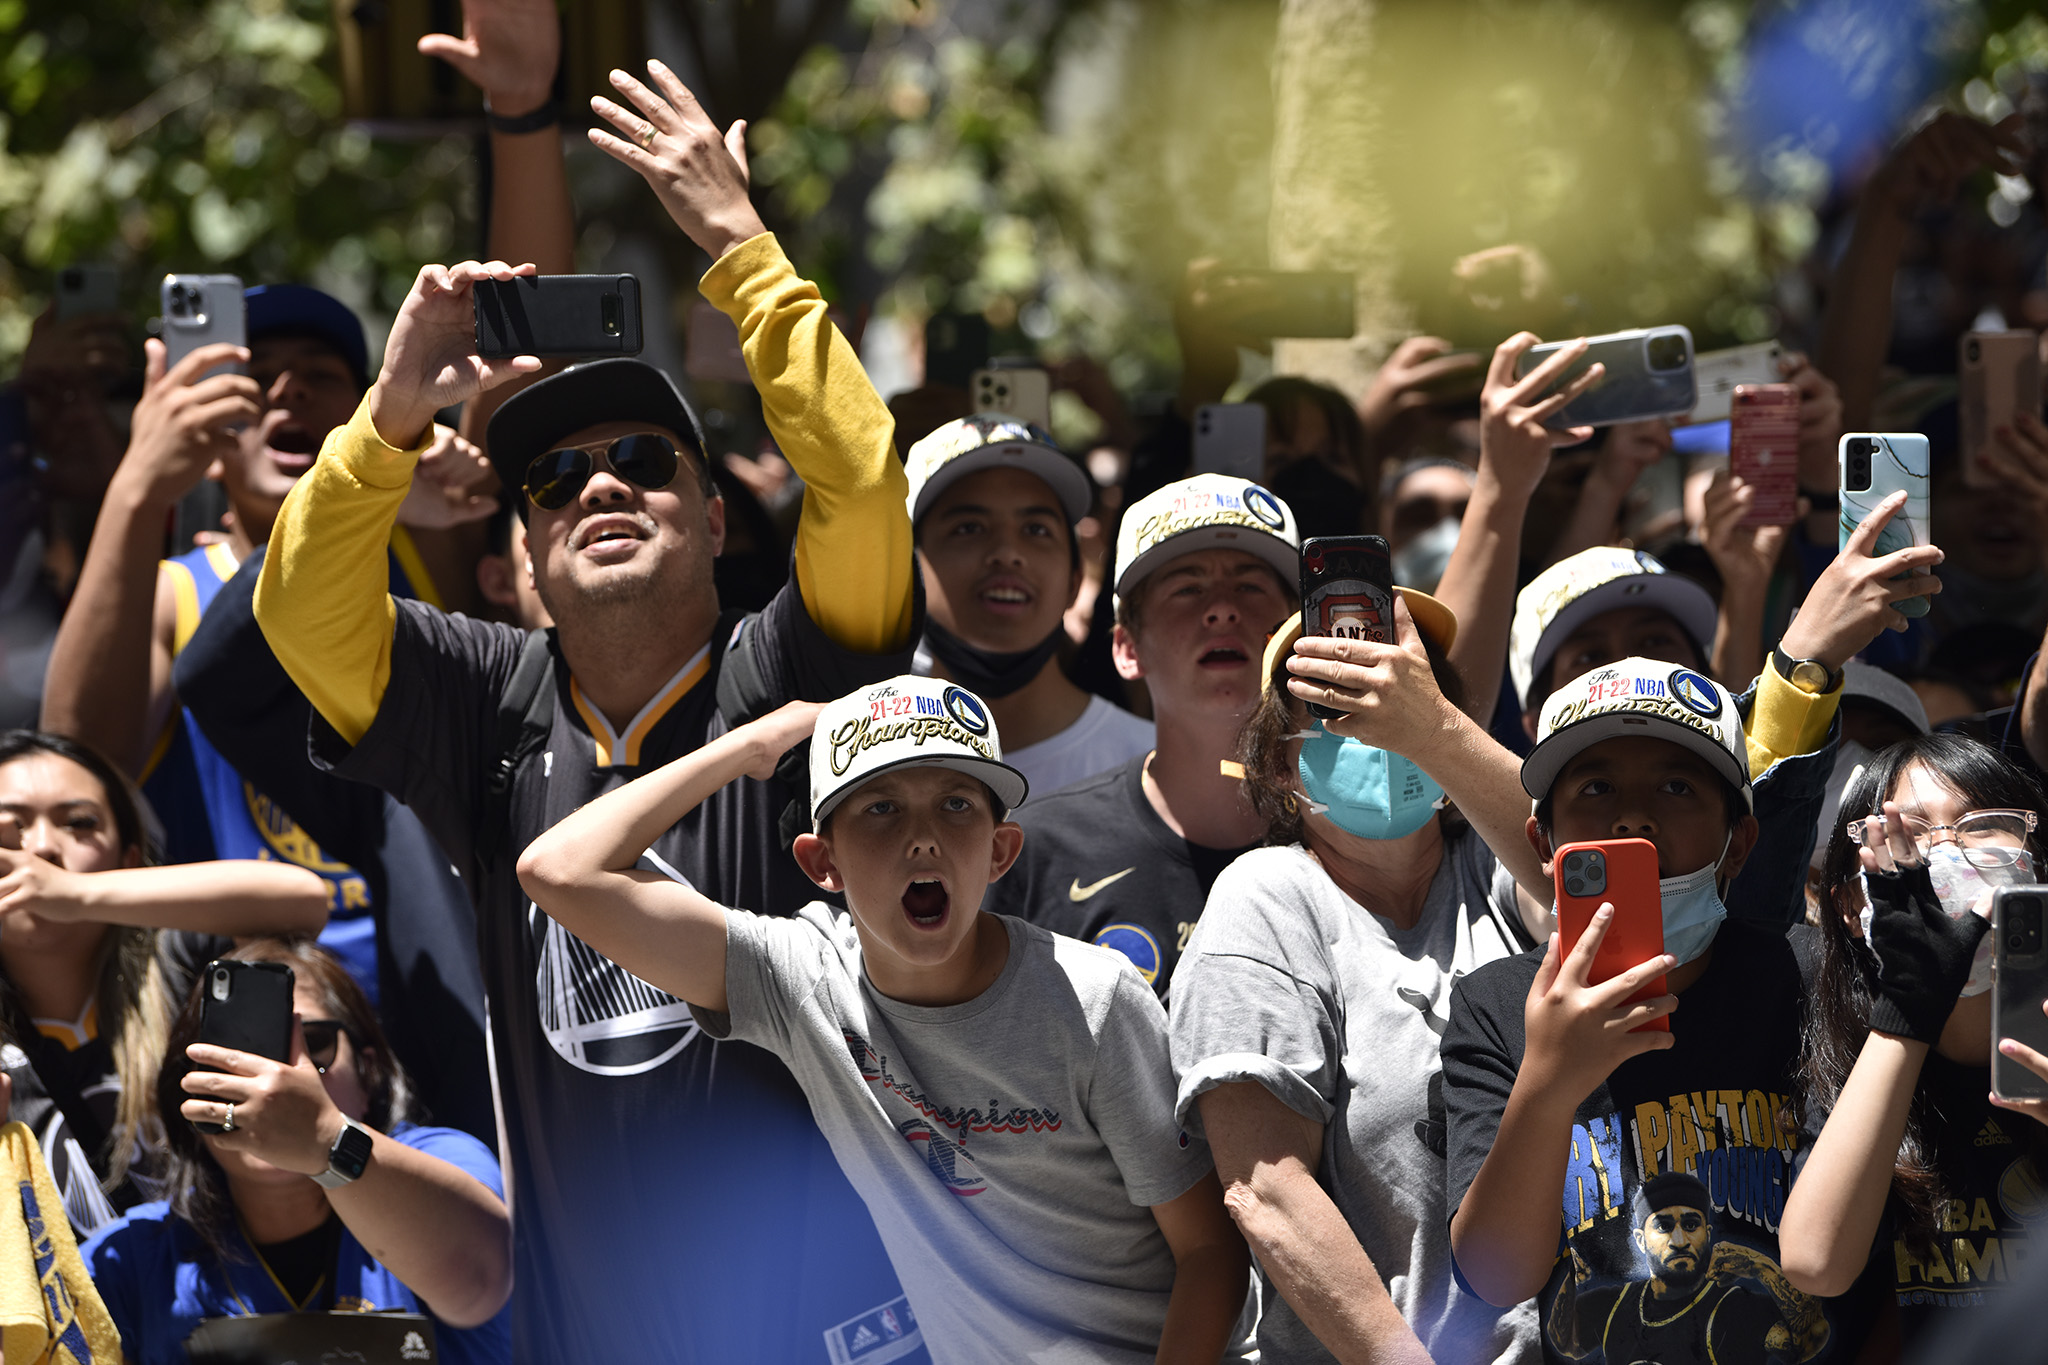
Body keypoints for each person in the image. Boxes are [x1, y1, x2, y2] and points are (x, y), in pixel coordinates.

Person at [245, 57, 922, 1361]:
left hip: (832, 1325)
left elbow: (857, 476)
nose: (594, 487)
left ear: (717, 520)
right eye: (552, 479)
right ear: (526, 555)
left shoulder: (798, 666)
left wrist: (737, 241)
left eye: (638, 462)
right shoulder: (487, 698)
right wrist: (392, 414)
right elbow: (303, 614)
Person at [134, 0, 579, 1147]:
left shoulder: (424, 547)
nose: (286, 397)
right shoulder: (186, 589)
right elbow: (88, 744)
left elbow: (530, 377)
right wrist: (141, 483)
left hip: (464, 1007)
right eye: (254, 376)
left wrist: (522, 117)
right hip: (264, 1034)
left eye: (319, 377)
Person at [516, 675, 1249, 1362]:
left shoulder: (1095, 999)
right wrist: (746, 747)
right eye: (880, 807)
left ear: (1000, 851)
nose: (923, 836)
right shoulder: (798, 979)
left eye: (957, 803)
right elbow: (558, 871)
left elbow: (1211, 1250)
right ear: (819, 861)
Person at [1442, 658, 1877, 1364]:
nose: (1633, 814)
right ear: (1543, 844)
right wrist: (1549, 1078)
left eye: (1677, 786)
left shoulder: (1810, 977)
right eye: (1595, 786)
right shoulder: (1494, 1005)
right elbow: (1495, 1276)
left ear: (1739, 843)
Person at [1169, 593, 1556, 1363]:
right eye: (1338, 704)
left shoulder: (1495, 869)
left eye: (1398, 695)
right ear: (1282, 762)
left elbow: (1591, 877)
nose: (1376, 726)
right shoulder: (1267, 897)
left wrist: (1437, 730)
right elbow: (1267, 1191)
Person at [82, 937, 511, 1365]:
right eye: (229, 1058)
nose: (271, 1079)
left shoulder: (441, 1159)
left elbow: (479, 1284)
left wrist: (328, 1141)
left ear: (369, 1072)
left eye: (312, 1044)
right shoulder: (135, 1259)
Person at [1776, 733, 2048, 1346]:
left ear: (2033, 862)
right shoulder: (1842, 1062)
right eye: (1910, 833)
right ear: (1850, 904)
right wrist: (1908, 1008)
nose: (1949, 852)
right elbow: (1816, 1262)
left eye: (1982, 824)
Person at [0, 730, 327, 1237]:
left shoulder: (178, 967)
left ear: (129, 864)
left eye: (79, 823)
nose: (42, 847)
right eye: (11, 827)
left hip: (203, 1303)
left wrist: (79, 893)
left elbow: (303, 899)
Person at [985, 473, 1297, 995]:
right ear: (1127, 649)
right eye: (1187, 589)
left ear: (1293, 628)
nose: (1223, 608)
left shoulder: (1351, 835)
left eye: (1250, 584)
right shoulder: (1035, 847)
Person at [905, 414, 1151, 792]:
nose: (1007, 553)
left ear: (1075, 580)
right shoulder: (855, 759)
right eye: (968, 528)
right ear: (906, 570)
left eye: (1037, 530)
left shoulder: (1153, 767)